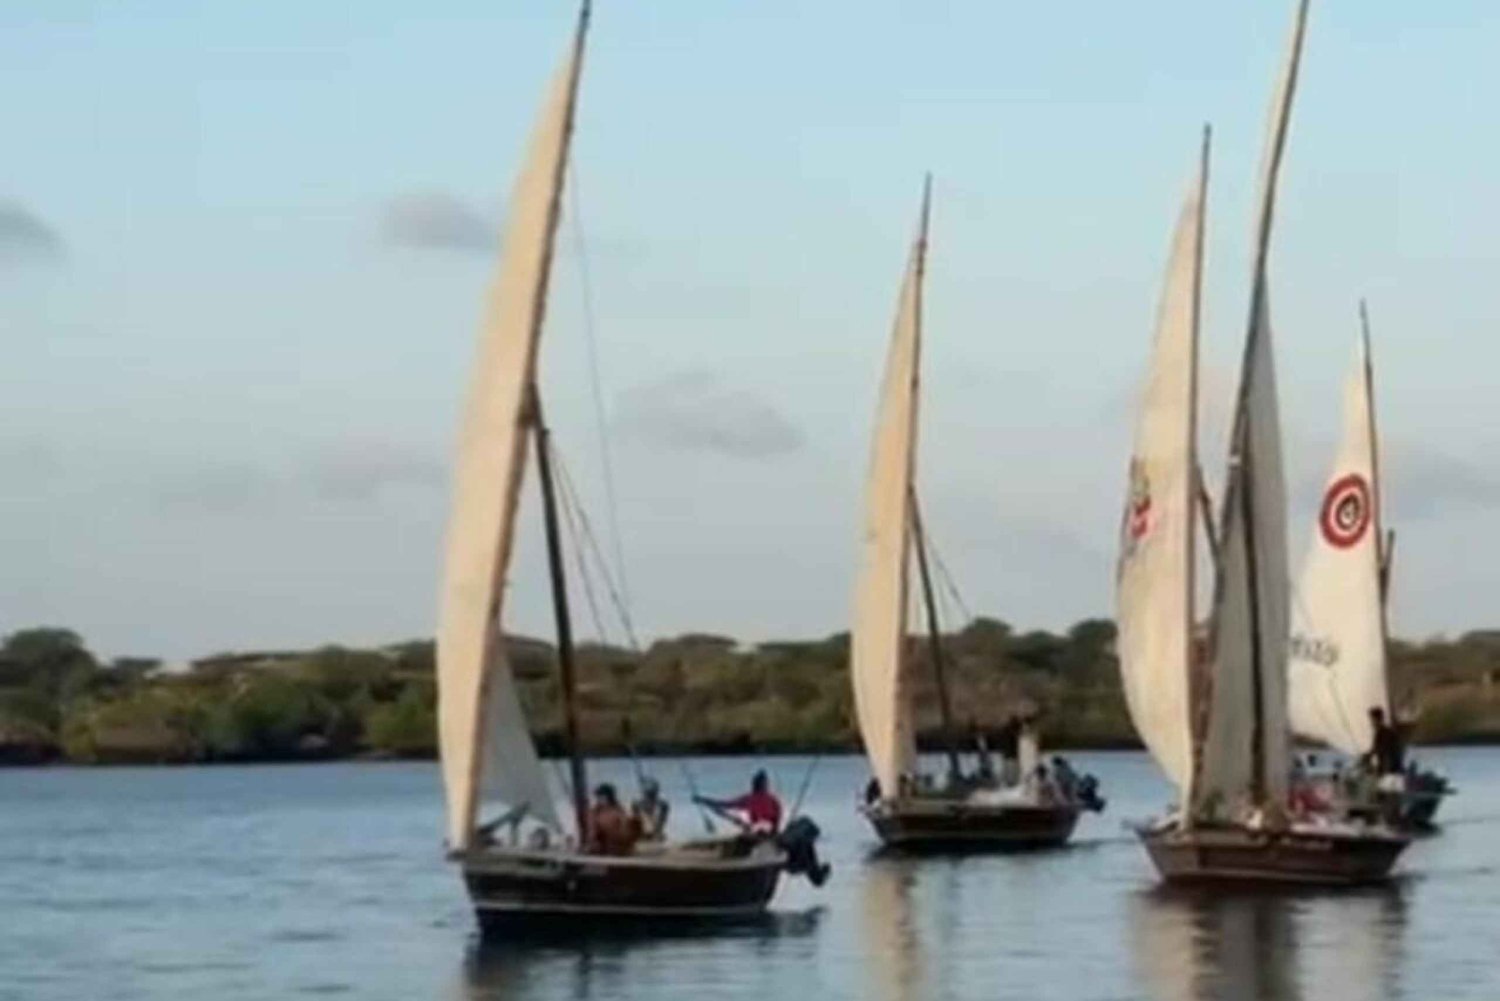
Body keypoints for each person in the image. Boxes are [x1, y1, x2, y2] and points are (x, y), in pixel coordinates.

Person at [696, 769, 783, 834]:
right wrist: (703, 800)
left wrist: (703, 801)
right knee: (724, 811)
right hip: (763, 828)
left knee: (723, 811)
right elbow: (778, 815)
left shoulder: (752, 799)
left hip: (757, 828)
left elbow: (725, 804)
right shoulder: (771, 799)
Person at [587, 783, 640, 855]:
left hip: (619, 850)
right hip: (602, 850)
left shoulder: (618, 811)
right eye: (598, 797)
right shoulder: (595, 812)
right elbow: (592, 834)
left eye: (601, 796)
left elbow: (625, 833)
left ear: (608, 797)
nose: (598, 799)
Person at [631, 777, 670, 842]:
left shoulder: (662, 805)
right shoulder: (637, 804)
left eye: (652, 794)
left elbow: (662, 819)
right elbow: (636, 815)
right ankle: (651, 833)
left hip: (655, 831)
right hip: (645, 832)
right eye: (649, 794)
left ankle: (655, 833)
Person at [996, 715, 1022, 787]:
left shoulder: (1009, 733)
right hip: (1011, 755)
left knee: (1009, 768)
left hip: (1010, 755)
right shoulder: (1012, 733)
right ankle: (1011, 782)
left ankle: (1010, 782)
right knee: (1010, 768)